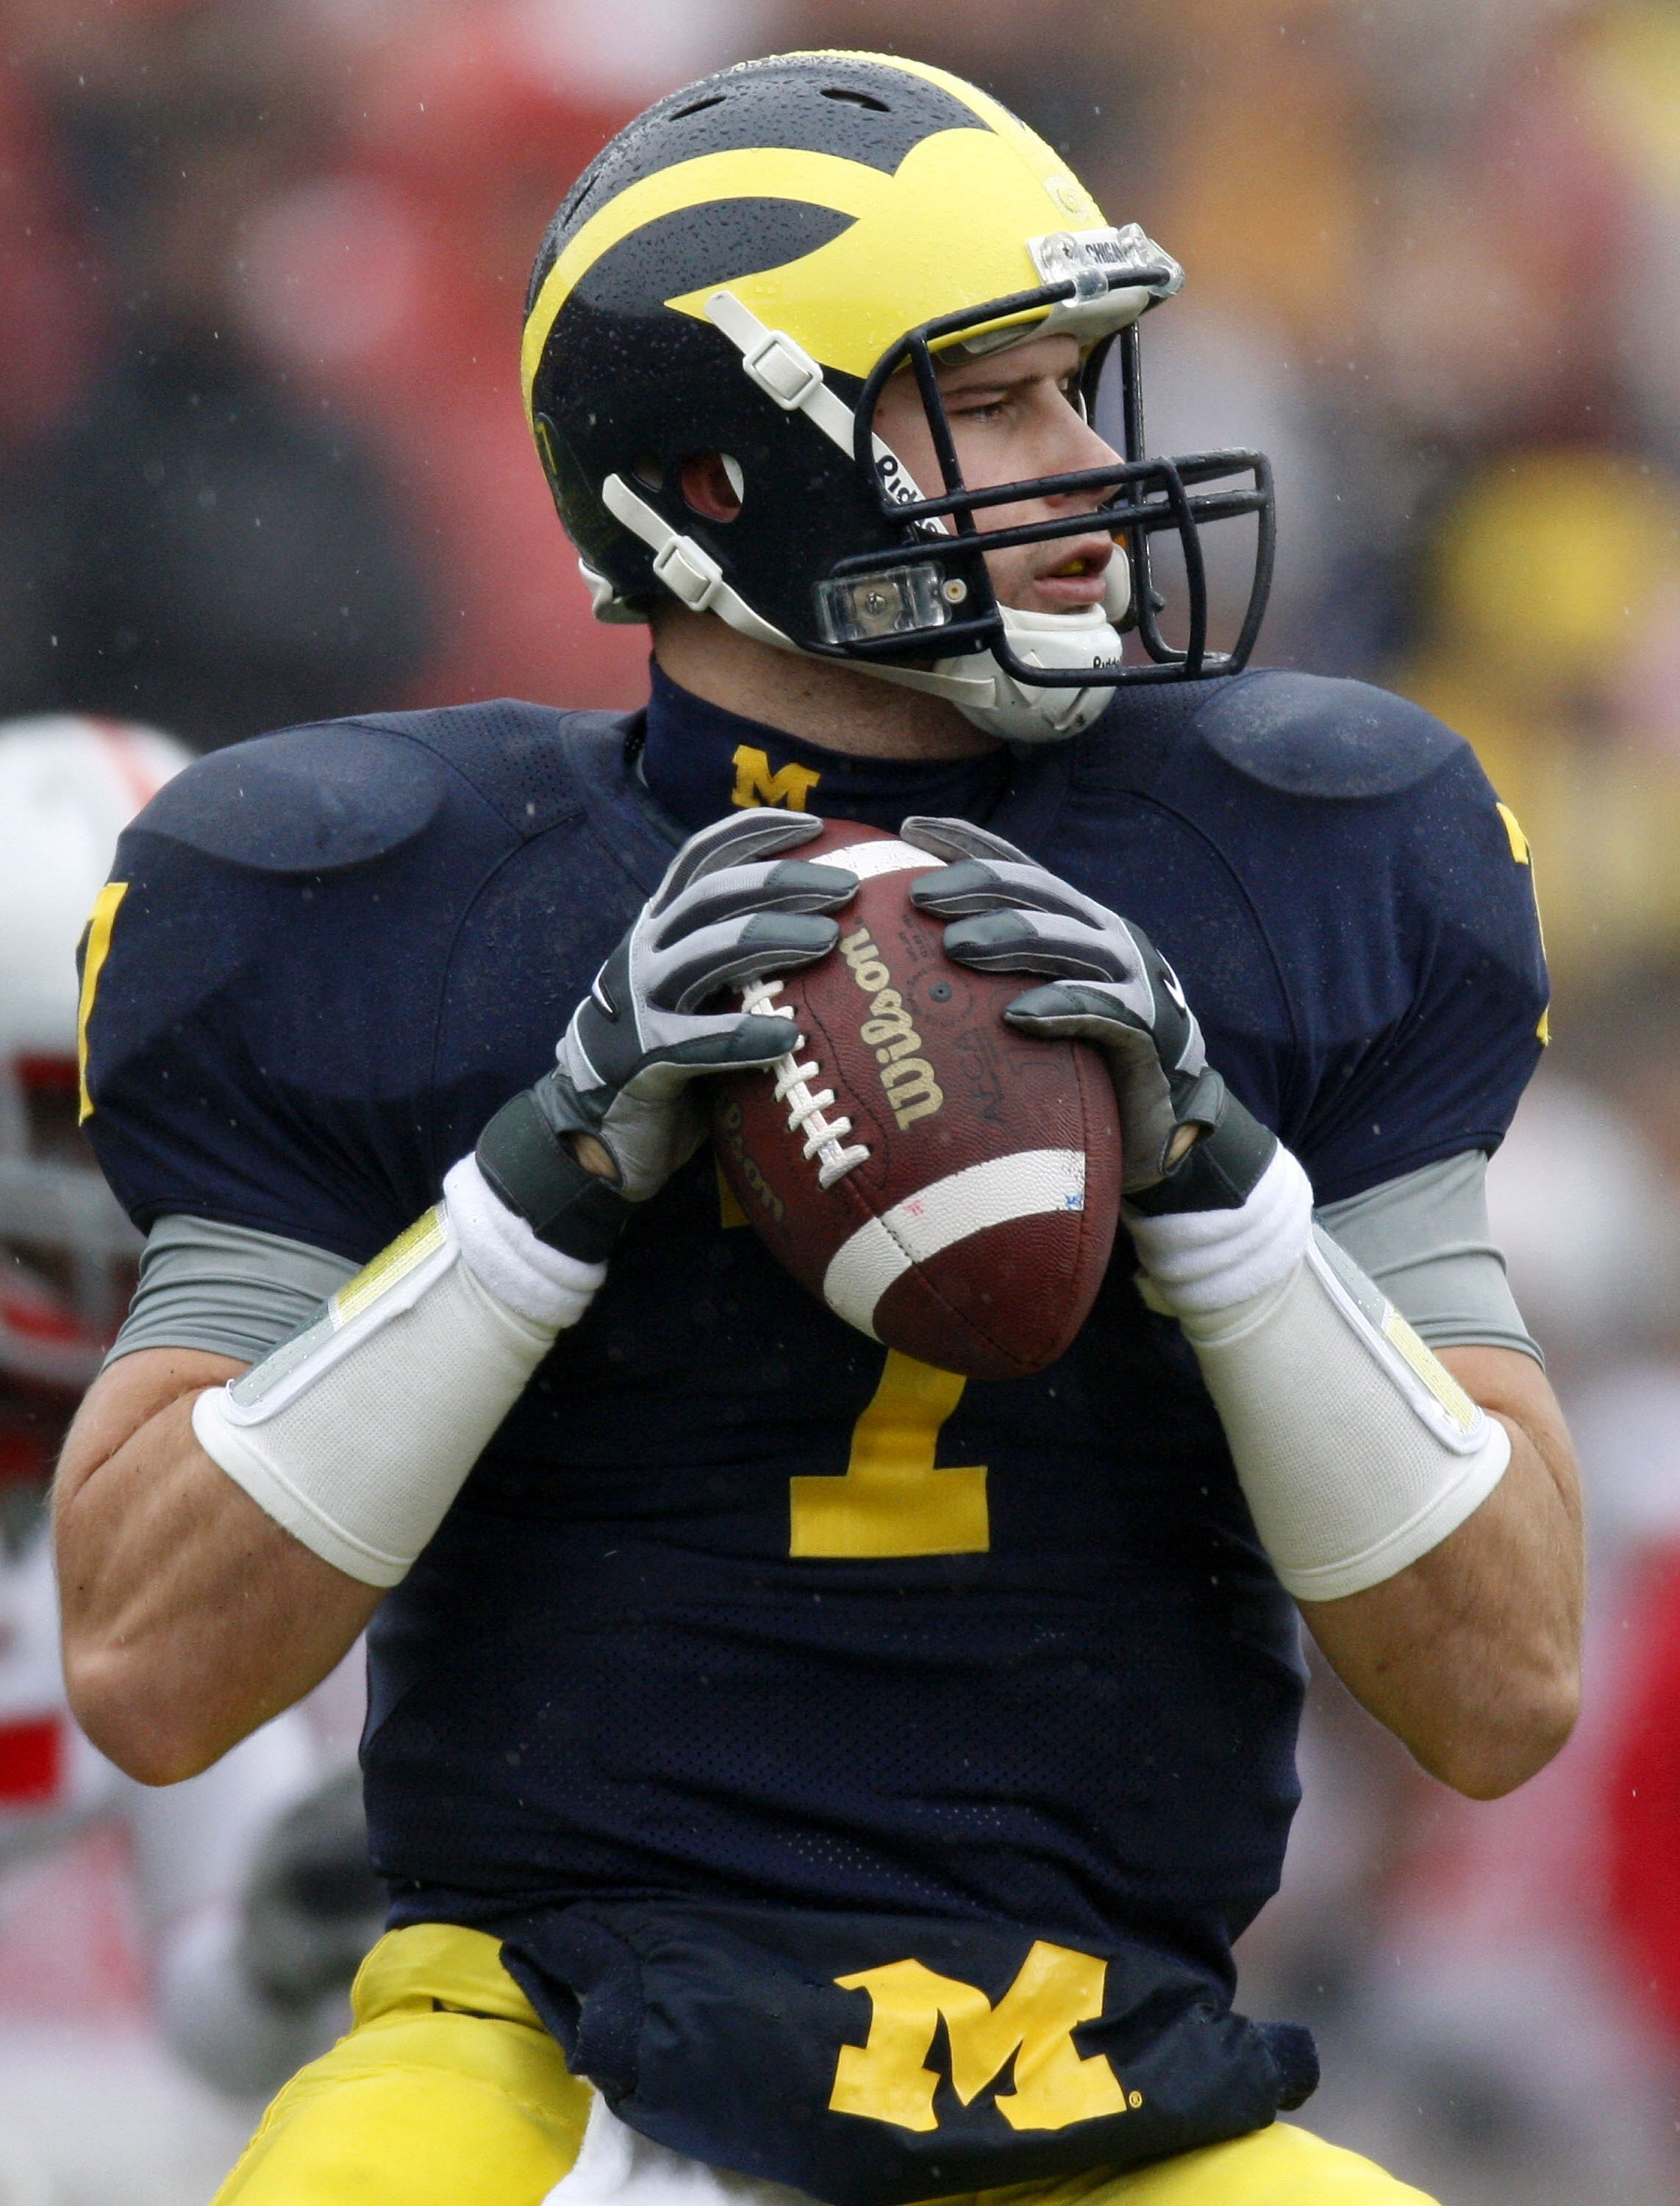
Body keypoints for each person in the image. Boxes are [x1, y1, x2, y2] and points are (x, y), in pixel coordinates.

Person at [55, 51, 1579, 2206]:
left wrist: (1219, 1188)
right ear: (724, 463)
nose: (1082, 459)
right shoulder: (365, 893)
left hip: (1117, 2072)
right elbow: (146, 1669)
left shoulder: (1304, 851)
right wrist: (546, 1176)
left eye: (1077, 383)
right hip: (538, 2043)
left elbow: (1503, 1686)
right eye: (996, 398)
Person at [0, 713, 385, 2118]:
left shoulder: (165, 1464)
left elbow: (212, 2021)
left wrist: (293, 1936)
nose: (148, 1180)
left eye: (211, 1105)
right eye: (81, 1116)